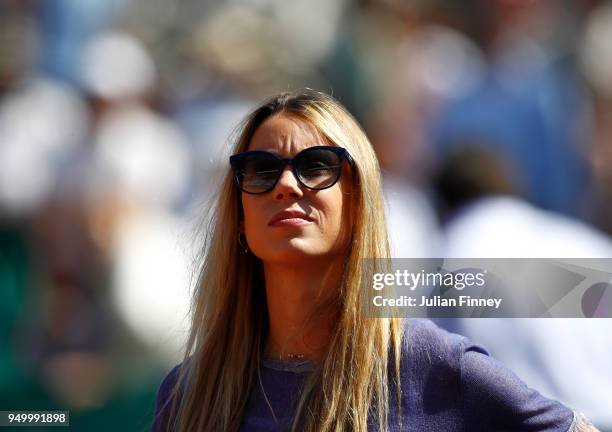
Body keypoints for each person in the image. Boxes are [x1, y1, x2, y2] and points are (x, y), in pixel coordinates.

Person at [151, 89, 598, 431]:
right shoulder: (189, 393)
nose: (286, 185)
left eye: (317, 164)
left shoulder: (430, 361)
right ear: (240, 213)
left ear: (359, 199)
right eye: (261, 169)